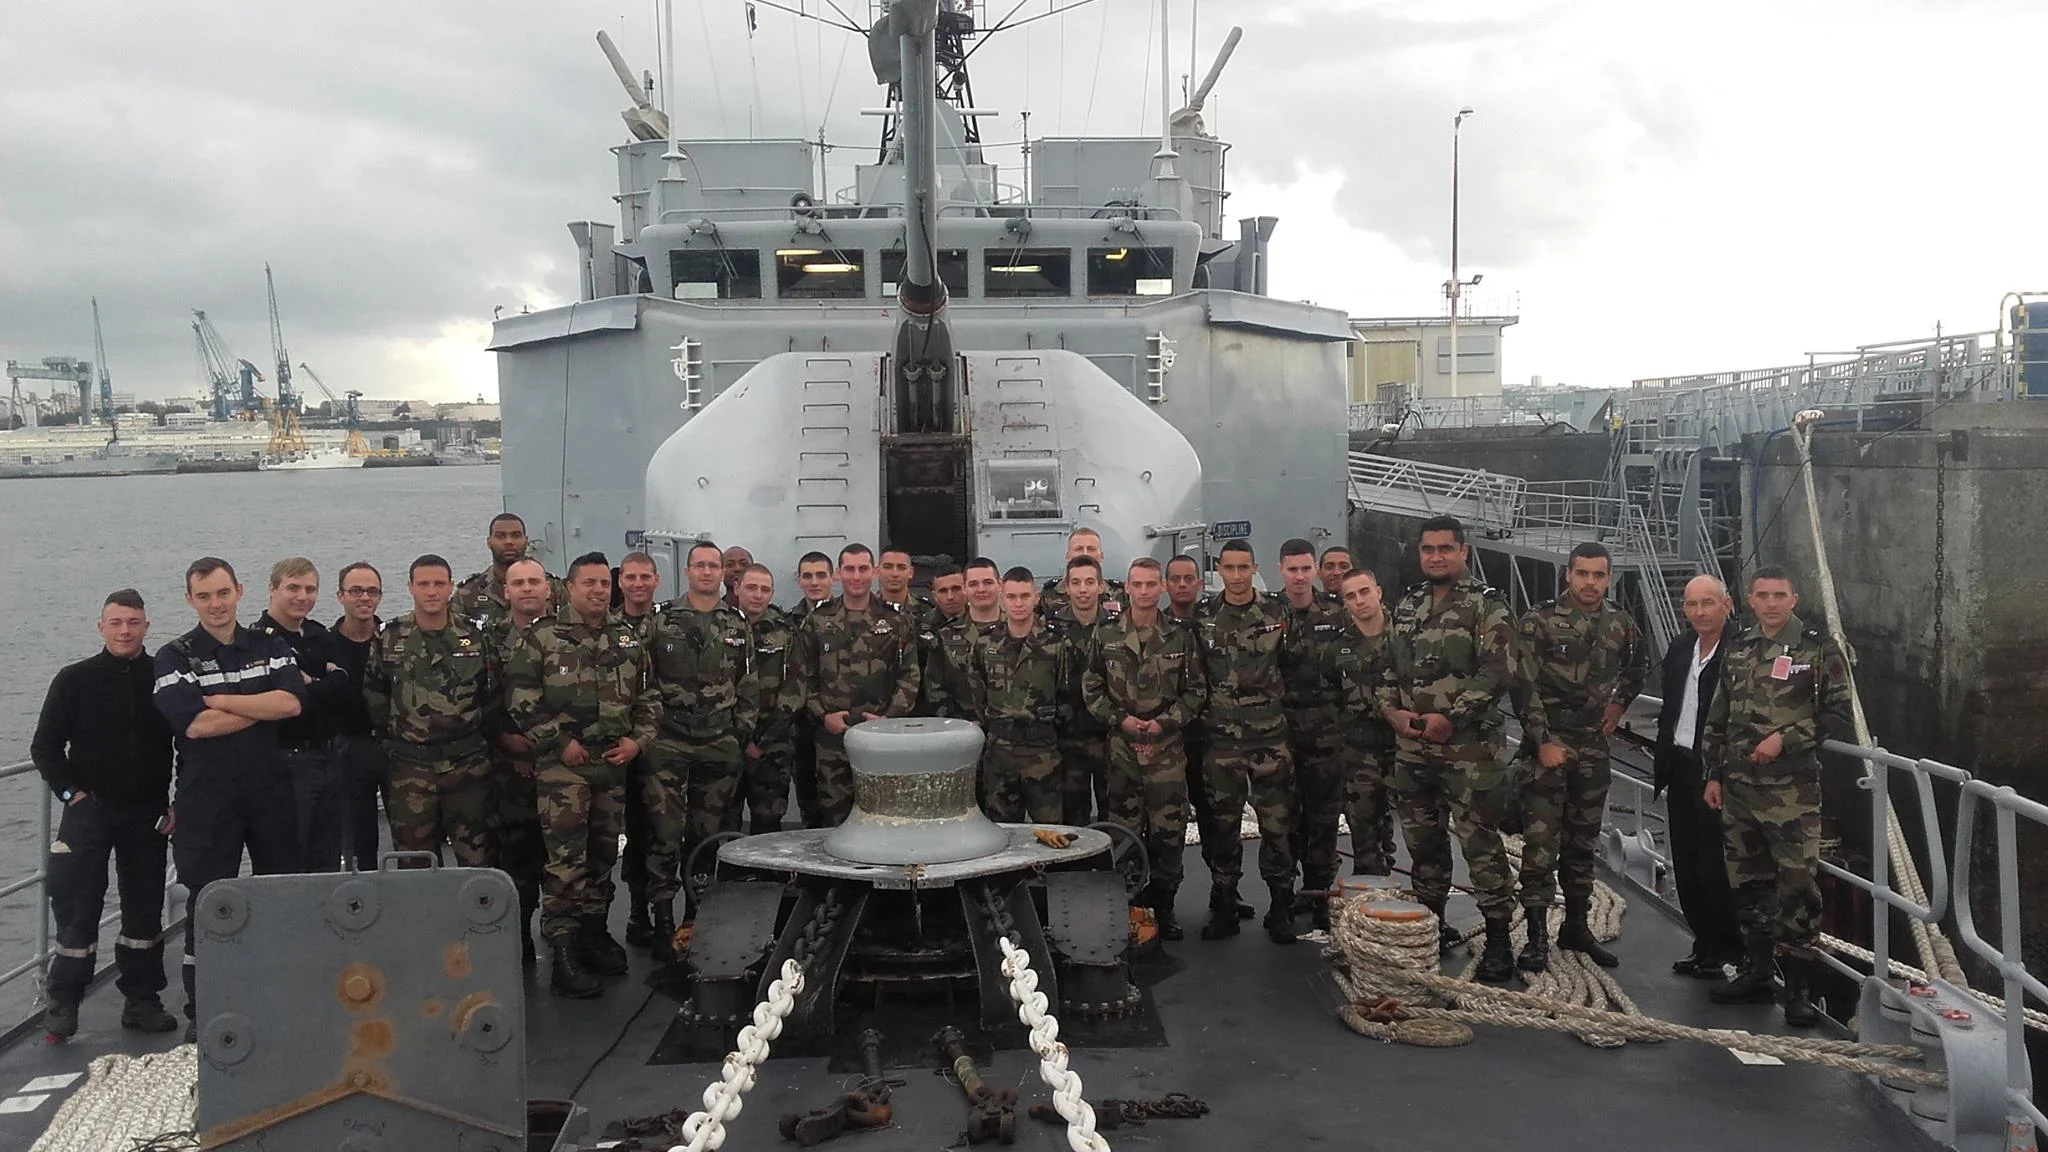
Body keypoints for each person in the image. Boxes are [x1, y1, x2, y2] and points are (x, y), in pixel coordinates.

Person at [153, 557, 305, 1037]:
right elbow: (195, 725)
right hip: (207, 796)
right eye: (204, 596)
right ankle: (204, 1007)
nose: (216, 605)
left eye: (223, 593)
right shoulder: (173, 657)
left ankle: (280, 996)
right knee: (206, 898)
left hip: (269, 790)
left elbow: (292, 702)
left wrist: (221, 700)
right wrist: (260, 707)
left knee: (278, 892)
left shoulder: (269, 644)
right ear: (190, 600)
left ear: (239, 591)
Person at [504, 552, 661, 998]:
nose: (597, 591)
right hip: (563, 769)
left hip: (611, 765)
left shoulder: (627, 638)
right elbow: (521, 697)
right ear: (569, 588)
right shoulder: (542, 638)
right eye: (588, 583)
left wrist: (639, 741)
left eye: (602, 584)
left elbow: (648, 695)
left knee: (601, 856)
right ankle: (564, 950)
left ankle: (594, 934)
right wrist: (558, 741)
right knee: (564, 862)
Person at [1701, 566, 1852, 1026]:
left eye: (1779, 595)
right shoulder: (1740, 646)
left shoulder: (1818, 647)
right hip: (1740, 789)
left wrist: (1785, 739)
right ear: (1749, 600)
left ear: (1794, 598)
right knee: (1749, 884)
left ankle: (1801, 991)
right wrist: (1713, 775)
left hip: (1791, 793)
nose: (1770, 602)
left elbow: (1838, 713)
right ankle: (1758, 972)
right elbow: (1718, 716)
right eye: (1762, 595)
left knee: (1797, 890)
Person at [1375, 516, 1520, 983]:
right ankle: (1431, 925)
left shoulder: (1487, 606)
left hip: (1469, 752)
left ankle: (1499, 940)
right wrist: (1391, 711)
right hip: (1413, 749)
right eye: (1427, 549)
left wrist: (1451, 717)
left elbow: (1498, 671)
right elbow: (1388, 668)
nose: (1435, 556)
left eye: (1444, 548)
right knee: (1422, 843)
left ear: (1463, 551)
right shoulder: (1409, 604)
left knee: (1480, 844)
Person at [33, 589, 179, 1038]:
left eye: (133, 622)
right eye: (116, 622)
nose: (124, 631)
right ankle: (64, 1002)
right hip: (88, 810)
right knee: (78, 906)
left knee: (144, 907)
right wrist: (70, 793)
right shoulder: (74, 679)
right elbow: (45, 747)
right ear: (101, 627)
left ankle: (142, 999)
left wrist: (176, 802)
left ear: (146, 627)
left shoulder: (162, 677)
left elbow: (189, 739)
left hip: (147, 812)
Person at [1512, 542, 1646, 972]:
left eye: (1599, 575)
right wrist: (1542, 739)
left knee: (1582, 842)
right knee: (1540, 844)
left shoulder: (1620, 624)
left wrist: (1618, 706)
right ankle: (1535, 936)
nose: (1591, 582)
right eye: (1583, 573)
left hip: (1593, 747)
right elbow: (1522, 684)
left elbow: (1637, 667)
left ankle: (1576, 925)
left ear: (1609, 578)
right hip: (1548, 745)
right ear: (1568, 574)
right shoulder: (1539, 620)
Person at [644, 542, 756, 961]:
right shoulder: (661, 622)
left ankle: (696, 917)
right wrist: (653, 732)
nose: (708, 572)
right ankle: (662, 921)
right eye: (701, 565)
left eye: (714, 566)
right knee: (664, 833)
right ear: (687, 571)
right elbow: (644, 680)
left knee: (706, 834)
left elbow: (748, 685)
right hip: (669, 743)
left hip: (716, 742)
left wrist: (738, 734)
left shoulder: (736, 623)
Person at [1085, 558, 1207, 941]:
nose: (1143, 591)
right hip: (1122, 751)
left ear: (1162, 588)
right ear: (1127, 589)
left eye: (1151, 584)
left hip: (1166, 752)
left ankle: (1165, 908)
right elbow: (1091, 685)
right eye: (1136, 584)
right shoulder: (1106, 635)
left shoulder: (1180, 635)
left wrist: (1165, 722)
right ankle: (1130, 909)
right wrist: (1119, 719)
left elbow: (1196, 691)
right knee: (1123, 834)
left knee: (1168, 834)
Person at [363, 555, 500, 879]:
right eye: (423, 584)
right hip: (411, 771)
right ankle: (425, 929)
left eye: (439, 583)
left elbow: (491, 695)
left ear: (451, 588)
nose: (431, 591)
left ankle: (477, 930)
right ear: (410, 587)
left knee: (477, 860)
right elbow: (376, 696)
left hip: (467, 768)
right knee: (415, 864)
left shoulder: (476, 637)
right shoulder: (389, 637)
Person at [1193, 539, 1300, 944]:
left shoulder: (1277, 611)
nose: (1237, 576)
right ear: (1219, 569)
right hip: (1221, 741)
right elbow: (1196, 675)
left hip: (1269, 737)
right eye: (1230, 568)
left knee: (1277, 826)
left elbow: (1292, 664)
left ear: (1255, 568)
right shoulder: (1204, 617)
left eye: (1244, 568)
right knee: (1224, 828)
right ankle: (1224, 904)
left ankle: (1281, 907)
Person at [785, 544, 921, 825]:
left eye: (862, 569)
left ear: (873, 572)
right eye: (849, 569)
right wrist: (823, 716)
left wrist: (888, 718)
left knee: (885, 818)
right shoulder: (818, 620)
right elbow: (804, 677)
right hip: (833, 740)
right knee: (836, 820)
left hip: (881, 740)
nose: (856, 576)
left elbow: (909, 675)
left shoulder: (895, 619)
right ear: (838, 574)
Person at [1656, 574, 1745, 979]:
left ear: (1727, 604)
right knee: (1687, 862)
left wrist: (1720, 772)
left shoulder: (1740, 650)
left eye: (1708, 603)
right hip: (1680, 764)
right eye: (1692, 604)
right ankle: (1703, 944)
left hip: (1715, 770)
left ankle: (1729, 948)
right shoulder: (1679, 648)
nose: (1700, 612)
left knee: (1715, 865)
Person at [253, 558, 356, 872]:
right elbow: (294, 700)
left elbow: (345, 688)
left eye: (310, 589)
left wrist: (320, 684)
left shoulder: (318, 635)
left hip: (330, 758)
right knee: (287, 858)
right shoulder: (259, 642)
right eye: (293, 588)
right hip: (287, 765)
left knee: (327, 858)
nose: (303, 596)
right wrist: (326, 682)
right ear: (272, 589)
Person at [1276, 538, 1348, 930]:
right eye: (1293, 569)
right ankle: (1285, 898)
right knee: (1284, 823)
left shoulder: (1338, 615)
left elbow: (1353, 663)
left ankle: (1319, 895)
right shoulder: (1268, 614)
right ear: (1280, 570)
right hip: (1281, 736)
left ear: (1315, 571)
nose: (1300, 576)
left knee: (1323, 822)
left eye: (1306, 569)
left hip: (1326, 736)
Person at [966, 568, 1069, 823]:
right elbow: (978, 693)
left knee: (1050, 830)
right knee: (1003, 830)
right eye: (1012, 597)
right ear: (1002, 598)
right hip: (1000, 751)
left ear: (1036, 598)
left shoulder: (1055, 644)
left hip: (1042, 750)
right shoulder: (986, 644)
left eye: (1025, 596)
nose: (1019, 603)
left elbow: (1066, 695)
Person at [490, 558, 554, 959]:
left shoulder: (568, 637)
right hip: (507, 769)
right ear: (507, 592)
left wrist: (545, 743)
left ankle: (570, 933)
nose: (527, 588)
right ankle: (520, 934)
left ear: (548, 589)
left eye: (535, 581)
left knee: (566, 859)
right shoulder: (488, 641)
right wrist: (504, 741)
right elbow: (477, 697)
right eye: (519, 583)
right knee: (517, 856)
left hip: (559, 763)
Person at [1327, 569, 1397, 877]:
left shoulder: (1408, 638)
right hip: (1360, 754)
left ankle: (1429, 913)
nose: (1360, 601)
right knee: (1364, 833)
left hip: (1405, 749)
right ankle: (1372, 909)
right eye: (1351, 596)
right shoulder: (1339, 649)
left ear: (1379, 592)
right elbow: (1330, 692)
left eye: (1365, 592)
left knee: (1424, 836)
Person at [614, 551, 662, 947]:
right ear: (621, 581)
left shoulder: (668, 626)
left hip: (658, 745)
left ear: (657, 580)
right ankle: (635, 911)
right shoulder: (607, 627)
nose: (638, 583)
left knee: (656, 829)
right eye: (631, 576)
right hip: (615, 748)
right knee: (628, 829)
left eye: (645, 576)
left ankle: (658, 912)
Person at [327, 562, 386, 873]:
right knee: (357, 840)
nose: (365, 598)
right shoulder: (324, 646)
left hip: (393, 747)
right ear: (340, 596)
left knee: (409, 837)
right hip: (348, 750)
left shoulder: (394, 640)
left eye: (372, 591)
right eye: (356, 591)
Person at [1050, 555, 1114, 824]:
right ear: (1067, 587)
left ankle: (1119, 865)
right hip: (1068, 738)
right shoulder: (1051, 629)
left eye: (1089, 582)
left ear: (1101, 586)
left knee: (1115, 810)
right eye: (1076, 582)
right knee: (1073, 816)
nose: (1083, 589)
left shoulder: (1115, 627)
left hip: (1108, 736)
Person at [735, 564, 799, 833]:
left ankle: (767, 876)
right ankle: (725, 875)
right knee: (720, 819)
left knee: (767, 821)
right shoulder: (721, 627)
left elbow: (794, 690)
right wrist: (739, 738)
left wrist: (760, 742)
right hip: (725, 741)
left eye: (764, 589)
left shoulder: (785, 632)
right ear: (737, 588)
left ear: (772, 594)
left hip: (772, 745)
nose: (757, 595)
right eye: (751, 588)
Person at [789, 551, 836, 827]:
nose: (814, 582)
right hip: (803, 726)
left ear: (832, 578)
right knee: (808, 799)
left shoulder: (847, 618)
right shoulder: (789, 621)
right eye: (808, 576)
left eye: (821, 575)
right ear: (799, 581)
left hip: (837, 726)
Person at [923, 558, 1002, 718]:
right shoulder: (946, 635)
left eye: (987, 582)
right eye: (973, 584)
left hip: (1010, 734)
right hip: (963, 732)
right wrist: (959, 725)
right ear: (965, 588)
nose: (981, 589)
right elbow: (935, 690)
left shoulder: (1018, 629)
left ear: (1000, 585)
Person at [458, 512, 562, 627]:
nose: (509, 542)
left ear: (526, 541)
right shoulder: (468, 593)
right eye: (501, 536)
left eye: (516, 535)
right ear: (489, 542)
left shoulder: (554, 588)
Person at [1040, 528, 1126, 618]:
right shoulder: (1050, 593)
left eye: (1091, 549)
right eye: (1078, 549)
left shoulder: (1119, 593)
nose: (1085, 554)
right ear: (1068, 556)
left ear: (1101, 556)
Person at [720, 545, 754, 609]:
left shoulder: (775, 617)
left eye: (744, 564)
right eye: (730, 565)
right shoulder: (710, 616)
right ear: (720, 573)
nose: (737, 569)